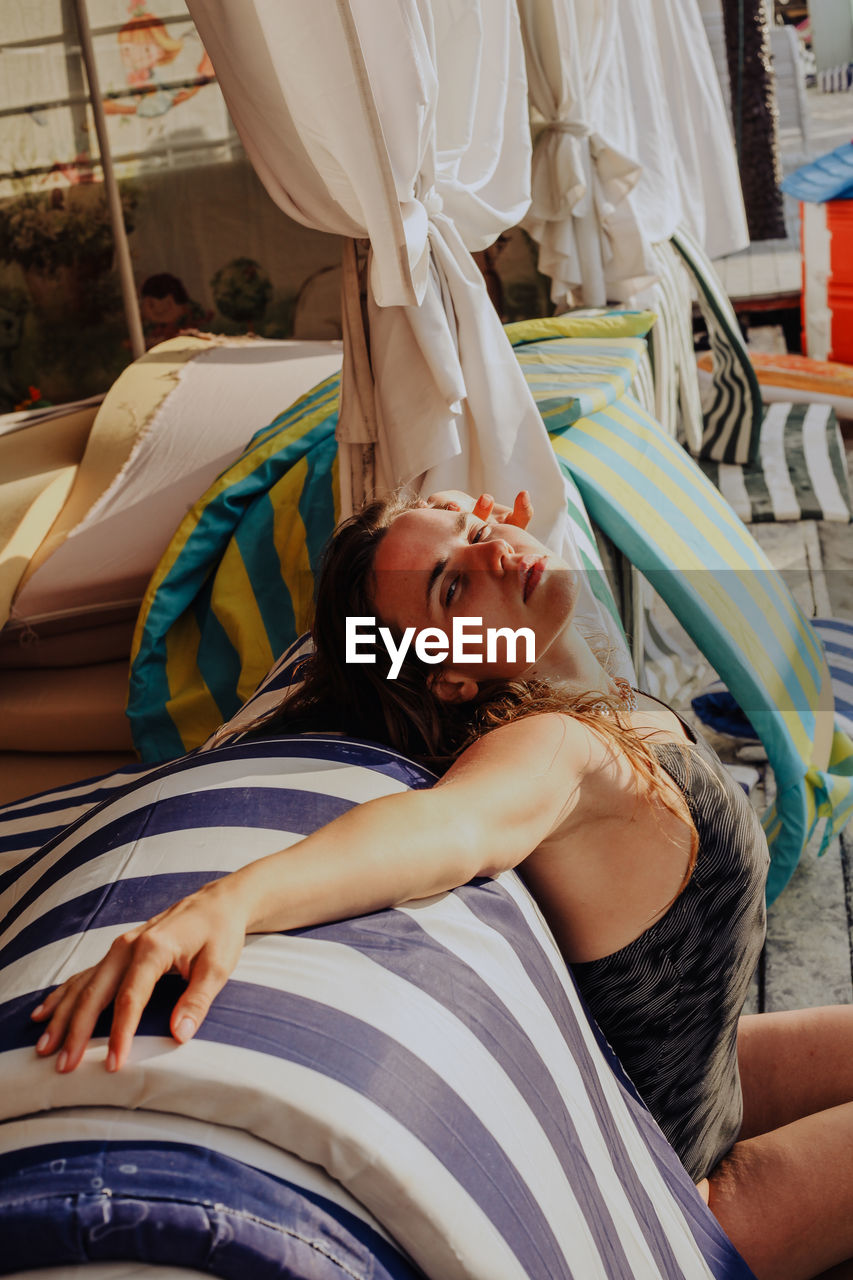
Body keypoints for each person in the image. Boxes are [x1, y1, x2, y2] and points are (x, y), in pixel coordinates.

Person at [32, 489, 853, 1280]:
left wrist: (449, 531)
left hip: (708, 1076)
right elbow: (447, 828)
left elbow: (409, 595)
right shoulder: (551, 751)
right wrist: (227, 903)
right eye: (453, 586)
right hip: (684, 1195)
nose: (494, 547)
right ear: (448, 676)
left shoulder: (561, 689)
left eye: (473, 524)